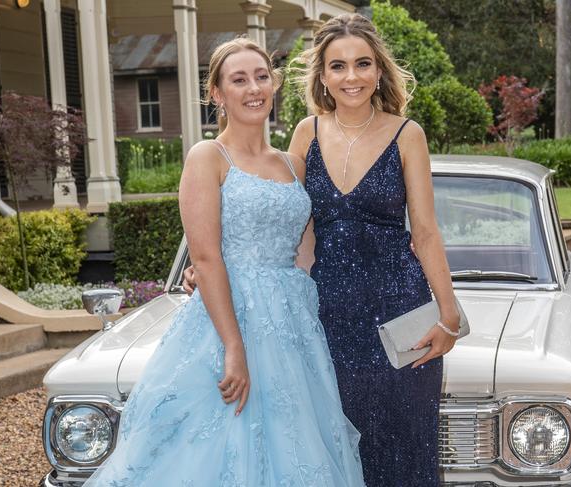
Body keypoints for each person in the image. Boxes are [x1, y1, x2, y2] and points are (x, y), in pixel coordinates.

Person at [184, 14, 460, 486]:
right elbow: (288, 223)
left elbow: (427, 233)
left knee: (407, 440)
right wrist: (214, 266)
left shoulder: (407, 133)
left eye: (362, 64)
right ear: (323, 76)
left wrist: (449, 315)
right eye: (338, 66)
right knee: (336, 444)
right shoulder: (305, 135)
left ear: (379, 71)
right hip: (327, 316)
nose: (351, 77)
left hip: (401, 308)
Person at [83, 37, 365, 487]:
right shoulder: (207, 157)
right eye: (238, 80)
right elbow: (206, 256)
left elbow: (306, 253)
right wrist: (234, 346)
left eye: (261, 76)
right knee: (223, 444)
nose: (254, 88)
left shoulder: (295, 165)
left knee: (296, 443)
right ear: (217, 93)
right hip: (226, 320)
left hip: (293, 327)